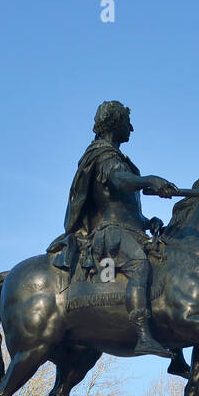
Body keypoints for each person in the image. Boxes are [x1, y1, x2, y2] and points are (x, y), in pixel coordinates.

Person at [47, 100, 181, 359]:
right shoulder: (103, 155)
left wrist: (147, 221)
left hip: (129, 230)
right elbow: (119, 181)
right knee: (140, 264)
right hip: (111, 234)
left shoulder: (118, 158)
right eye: (127, 122)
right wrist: (149, 180)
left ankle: (176, 347)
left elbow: (124, 209)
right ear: (115, 123)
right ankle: (143, 336)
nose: (131, 128)